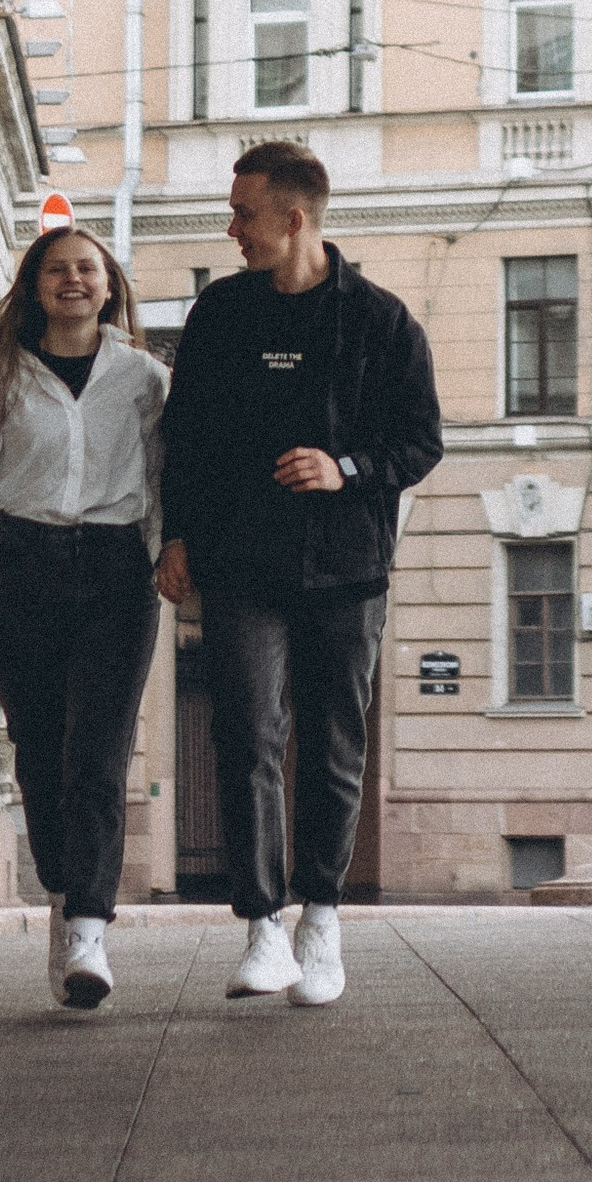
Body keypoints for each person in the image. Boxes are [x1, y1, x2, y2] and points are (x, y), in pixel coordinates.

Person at [156, 139, 443, 1006]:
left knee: (332, 745)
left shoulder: (384, 321)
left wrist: (345, 469)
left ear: (293, 219)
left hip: (348, 567)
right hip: (241, 564)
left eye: (242, 213)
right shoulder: (221, 314)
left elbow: (421, 441)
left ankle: (323, 921)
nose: (231, 227)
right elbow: (187, 440)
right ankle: (262, 929)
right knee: (247, 736)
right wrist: (177, 538)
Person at [0, 220, 166, 1008]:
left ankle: (90, 929)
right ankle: (65, 899)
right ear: (33, 286)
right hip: (24, 567)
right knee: (40, 754)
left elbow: (166, 481)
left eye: (87, 270)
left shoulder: (143, 378)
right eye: (57, 269)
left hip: (116, 567)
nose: (73, 281)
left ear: (108, 285)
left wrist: (173, 556)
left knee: (98, 750)